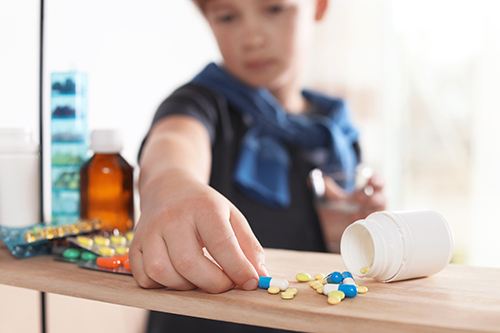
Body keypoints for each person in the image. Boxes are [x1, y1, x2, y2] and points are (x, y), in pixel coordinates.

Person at [130, 0, 386, 331]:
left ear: (319, 6)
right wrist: (169, 183)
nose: (251, 38)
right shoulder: (198, 103)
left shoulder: (337, 133)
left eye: (274, 9)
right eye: (227, 16)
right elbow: (174, 142)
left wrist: (357, 236)